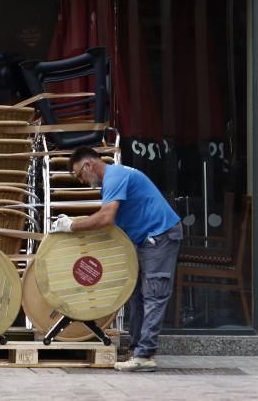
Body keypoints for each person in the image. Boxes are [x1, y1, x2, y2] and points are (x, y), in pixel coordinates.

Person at [52, 147, 182, 373]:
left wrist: (71, 226)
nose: (82, 182)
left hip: (159, 235)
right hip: (146, 238)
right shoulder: (114, 178)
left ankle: (145, 355)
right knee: (136, 294)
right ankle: (137, 350)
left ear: (88, 165)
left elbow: (106, 217)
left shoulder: (114, 177)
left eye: (79, 175)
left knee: (153, 294)